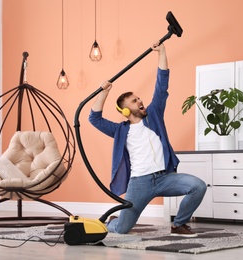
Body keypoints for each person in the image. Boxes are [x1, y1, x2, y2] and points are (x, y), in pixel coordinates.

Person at [88, 40, 207, 237]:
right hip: (139, 184)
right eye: (135, 101)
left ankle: (179, 225)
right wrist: (104, 92)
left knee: (198, 186)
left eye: (139, 98)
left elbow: (162, 85)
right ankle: (113, 221)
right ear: (126, 110)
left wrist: (161, 52)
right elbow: (94, 118)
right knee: (122, 229)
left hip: (164, 178)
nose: (140, 100)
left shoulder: (154, 115)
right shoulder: (120, 130)